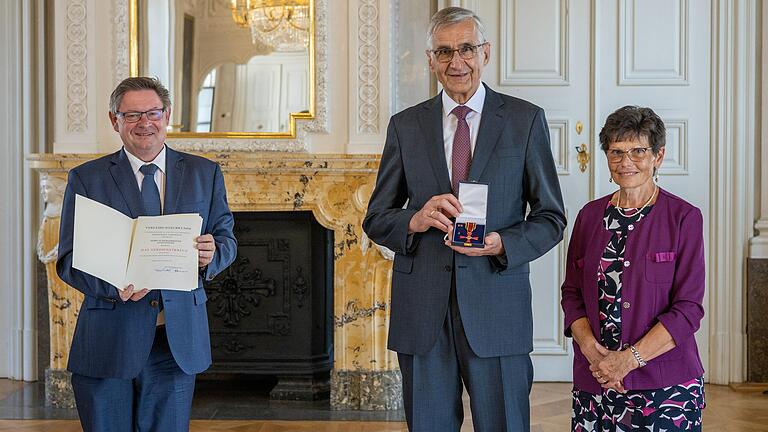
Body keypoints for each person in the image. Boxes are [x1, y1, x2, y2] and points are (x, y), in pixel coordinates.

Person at [363, 7, 565, 431]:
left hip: (496, 306)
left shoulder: (524, 120)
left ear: (485, 53)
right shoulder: (405, 126)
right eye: (444, 52)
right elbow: (377, 217)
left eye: (466, 49)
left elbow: (550, 218)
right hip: (423, 313)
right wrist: (414, 221)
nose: (457, 62)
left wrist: (501, 243)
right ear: (430, 60)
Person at [57, 77, 237, 432]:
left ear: (167, 115)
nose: (145, 123)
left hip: (175, 341)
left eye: (153, 112)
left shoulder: (205, 172)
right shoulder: (87, 179)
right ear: (115, 121)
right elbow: (68, 258)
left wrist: (211, 254)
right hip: (109, 338)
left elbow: (226, 240)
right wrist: (113, 287)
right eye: (132, 114)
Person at [561, 106, 706, 431]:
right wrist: (591, 352)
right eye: (616, 152)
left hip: (664, 385)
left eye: (638, 151)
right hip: (595, 381)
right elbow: (572, 294)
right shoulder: (589, 217)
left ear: (658, 155)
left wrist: (627, 361)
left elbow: (688, 309)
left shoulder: (684, 218)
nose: (626, 162)